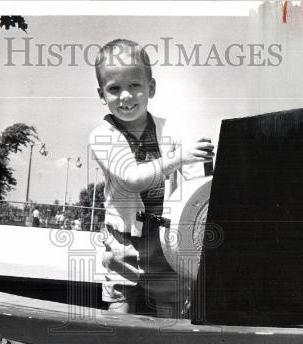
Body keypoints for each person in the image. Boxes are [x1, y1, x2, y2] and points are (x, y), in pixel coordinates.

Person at [89, 39, 214, 317]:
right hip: (123, 238)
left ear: (151, 88)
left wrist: (203, 163)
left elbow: (195, 183)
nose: (125, 96)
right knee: (119, 299)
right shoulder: (102, 136)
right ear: (102, 94)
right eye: (114, 88)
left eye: (135, 85)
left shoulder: (170, 130)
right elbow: (132, 178)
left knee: (171, 301)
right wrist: (180, 157)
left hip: (165, 238)